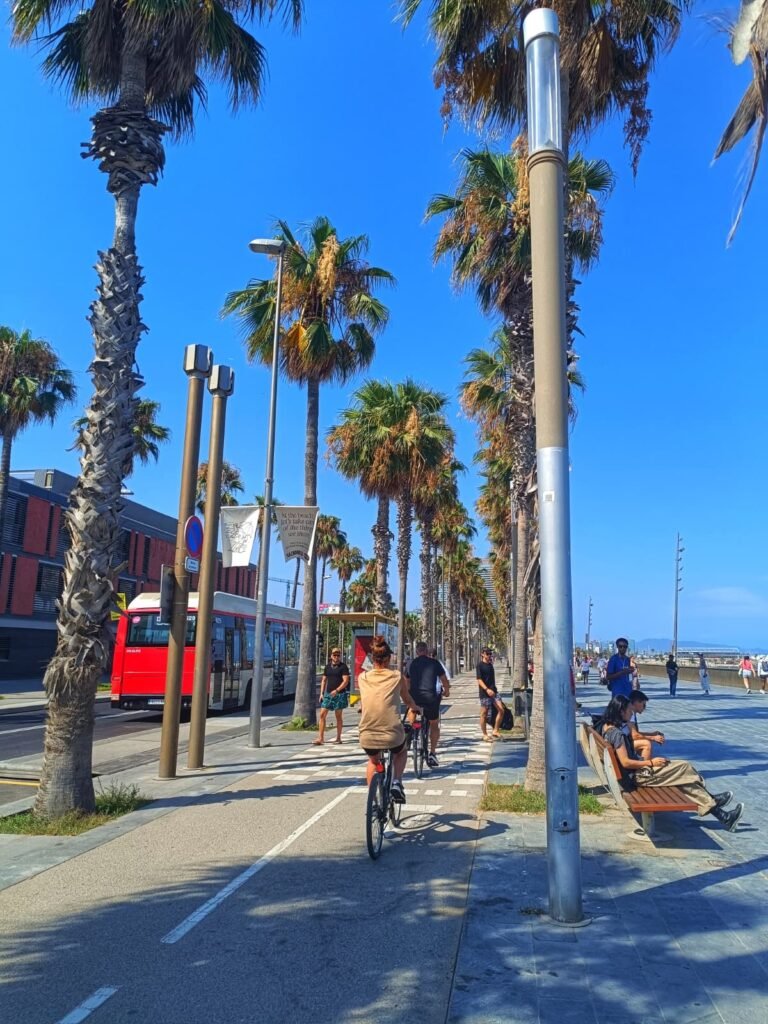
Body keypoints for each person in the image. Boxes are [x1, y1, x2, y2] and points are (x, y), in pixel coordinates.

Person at [601, 695, 744, 831]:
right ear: (621, 711)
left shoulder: (607, 727)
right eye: (629, 710)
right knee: (684, 767)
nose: (631, 713)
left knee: (683, 778)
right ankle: (714, 802)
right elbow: (625, 762)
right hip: (638, 776)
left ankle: (723, 815)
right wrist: (651, 762)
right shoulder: (617, 734)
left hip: (633, 775)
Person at [357, 635, 419, 804]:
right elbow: (407, 700)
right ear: (389, 658)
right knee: (401, 751)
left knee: (373, 761)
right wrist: (416, 708)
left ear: (373, 658)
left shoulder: (363, 678)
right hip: (392, 734)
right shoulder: (396, 676)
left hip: (367, 734)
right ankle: (397, 782)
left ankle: (373, 801)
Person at [406, 641, 450, 767]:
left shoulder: (411, 663)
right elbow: (444, 679)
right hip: (430, 698)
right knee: (434, 723)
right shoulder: (434, 663)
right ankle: (432, 753)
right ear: (426, 651)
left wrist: (408, 693)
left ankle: (410, 733)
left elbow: (407, 680)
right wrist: (447, 691)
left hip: (415, 698)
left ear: (416, 652)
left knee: (412, 709)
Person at [315, 647, 350, 745]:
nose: (336, 657)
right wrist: (321, 693)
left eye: (338, 655)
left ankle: (338, 738)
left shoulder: (343, 667)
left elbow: (346, 681)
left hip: (339, 694)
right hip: (328, 694)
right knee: (322, 714)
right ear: (331, 656)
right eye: (334, 655)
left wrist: (337, 690)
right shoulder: (327, 667)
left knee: (338, 716)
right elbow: (324, 680)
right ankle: (320, 738)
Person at [626, 690, 665, 762]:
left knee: (645, 740)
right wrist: (653, 738)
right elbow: (634, 736)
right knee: (646, 744)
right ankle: (644, 766)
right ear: (636, 702)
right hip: (622, 744)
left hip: (624, 741)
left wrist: (652, 734)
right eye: (643, 705)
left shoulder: (630, 712)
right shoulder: (630, 713)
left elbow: (635, 733)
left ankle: (641, 762)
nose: (644, 708)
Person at [477, 647, 505, 741]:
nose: (489, 655)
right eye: (487, 654)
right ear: (482, 654)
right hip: (485, 693)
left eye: (490, 654)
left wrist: (493, 690)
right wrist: (487, 689)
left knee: (501, 710)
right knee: (484, 714)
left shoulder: (490, 665)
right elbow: (479, 680)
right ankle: (485, 734)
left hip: (494, 692)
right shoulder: (480, 665)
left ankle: (495, 730)